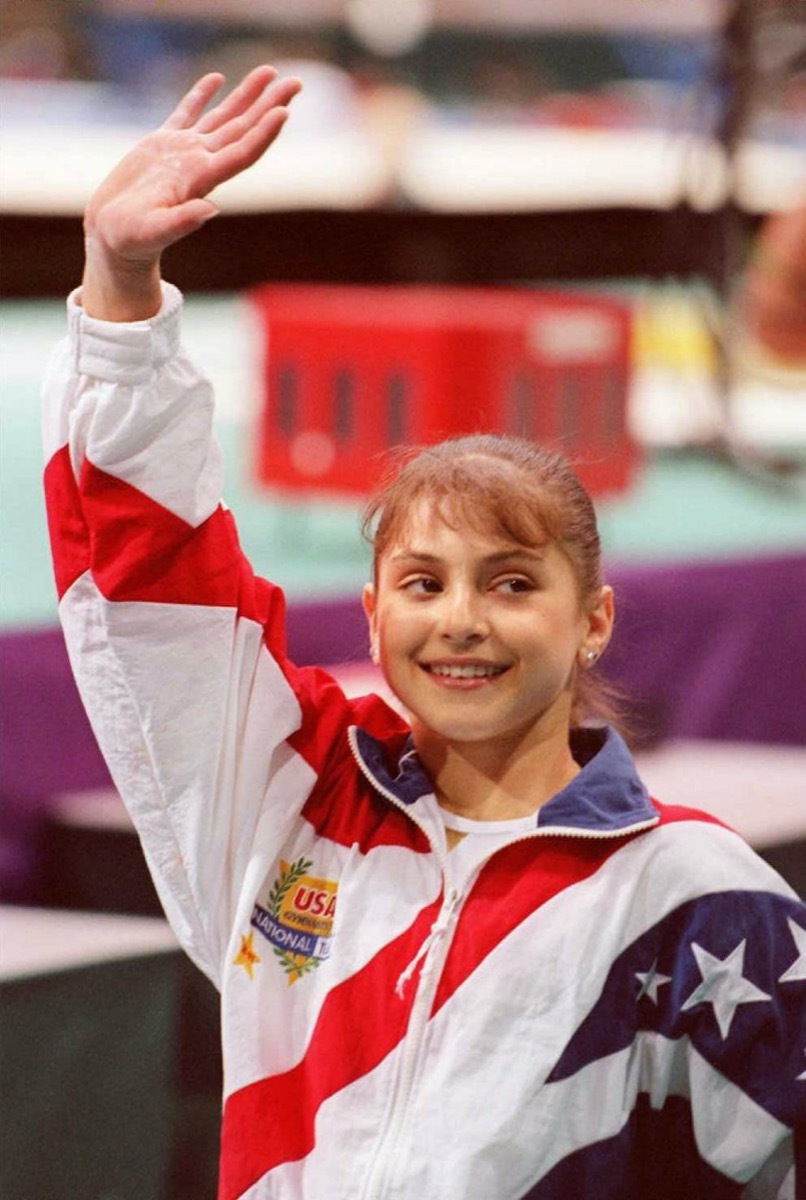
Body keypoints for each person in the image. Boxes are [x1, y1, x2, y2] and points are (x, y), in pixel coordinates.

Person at [42, 66, 803, 1200]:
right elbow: (152, 582)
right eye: (421, 581)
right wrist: (119, 289)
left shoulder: (694, 893)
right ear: (370, 612)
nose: (459, 622)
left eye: (508, 584)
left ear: (591, 618)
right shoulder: (286, 808)